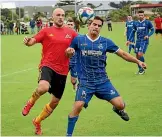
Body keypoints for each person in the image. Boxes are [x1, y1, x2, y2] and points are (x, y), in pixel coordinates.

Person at [65, 16, 147, 136]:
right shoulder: (78, 40)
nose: (96, 27)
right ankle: (68, 135)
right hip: (85, 82)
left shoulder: (106, 42)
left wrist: (138, 62)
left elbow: (123, 54)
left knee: (121, 104)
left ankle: (117, 109)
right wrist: (68, 53)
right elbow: (68, 53)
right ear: (89, 25)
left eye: (99, 26)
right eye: (94, 24)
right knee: (78, 106)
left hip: (102, 81)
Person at [22, 8, 77, 135]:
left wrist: (71, 51)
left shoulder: (71, 33)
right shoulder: (46, 31)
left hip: (63, 71)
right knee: (43, 88)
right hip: (48, 65)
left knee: (54, 102)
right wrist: (27, 41)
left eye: (63, 15)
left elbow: (78, 45)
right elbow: (33, 40)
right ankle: (30, 102)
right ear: (52, 17)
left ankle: (37, 121)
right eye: (58, 15)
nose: (61, 17)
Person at [127, 10, 154, 75]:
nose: (140, 16)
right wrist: (129, 40)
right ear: (138, 15)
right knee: (137, 56)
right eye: (139, 15)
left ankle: (143, 64)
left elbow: (153, 30)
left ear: (144, 15)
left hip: (144, 41)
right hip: (138, 41)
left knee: (140, 54)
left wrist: (148, 35)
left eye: (142, 15)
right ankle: (141, 70)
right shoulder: (135, 23)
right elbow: (133, 32)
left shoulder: (147, 22)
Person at [66, 18, 78, 90]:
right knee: (61, 78)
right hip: (64, 61)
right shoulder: (62, 35)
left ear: (74, 26)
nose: (70, 26)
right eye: (68, 24)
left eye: (71, 24)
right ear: (65, 25)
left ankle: (75, 85)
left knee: (73, 80)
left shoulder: (77, 36)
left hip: (75, 61)